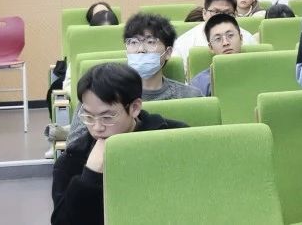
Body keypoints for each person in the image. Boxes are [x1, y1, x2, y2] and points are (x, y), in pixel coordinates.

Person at [51, 63, 187, 225]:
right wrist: (90, 177)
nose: (97, 127)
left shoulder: (175, 139)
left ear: (135, 108)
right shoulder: (72, 159)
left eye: (107, 117)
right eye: (88, 117)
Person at [63, 13, 201, 145]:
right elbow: (74, 145)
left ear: (168, 52)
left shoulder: (190, 96)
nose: (141, 49)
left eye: (150, 42)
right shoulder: (99, 92)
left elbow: (200, 143)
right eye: (133, 42)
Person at [171, 0, 258, 60]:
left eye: (227, 13)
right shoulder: (184, 42)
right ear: (204, 13)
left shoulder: (247, 38)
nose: (221, 16)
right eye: (216, 12)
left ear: (235, 15)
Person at [188, 13, 243, 96]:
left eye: (230, 35)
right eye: (218, 39)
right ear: (211, 47)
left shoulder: (259, 71)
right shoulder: (199, 83)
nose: (225, 43)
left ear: (241, 39)